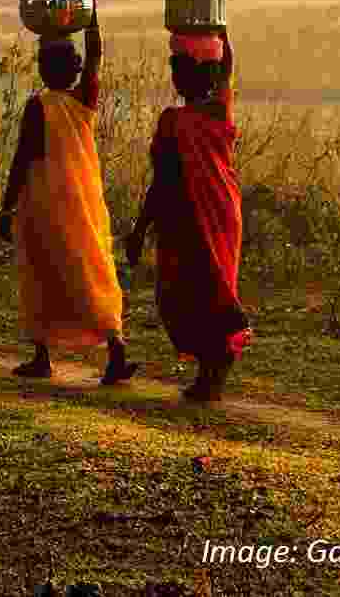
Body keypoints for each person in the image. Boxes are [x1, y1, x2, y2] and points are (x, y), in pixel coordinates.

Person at [0, 0, 137, 385]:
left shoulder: (39, 106)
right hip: (82, 201)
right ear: (73, 70)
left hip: (42, 200)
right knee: (91, 267)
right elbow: (96, 58)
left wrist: (6, 208)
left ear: (44, 70)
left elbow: (23, 158)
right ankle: (116, 349)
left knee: (43, 271)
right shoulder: (84, 98)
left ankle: (42, 355)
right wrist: (90, 16)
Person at [125, 27, 252, 402]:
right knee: (186, 294)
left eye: (181, 68)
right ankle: (209, 371)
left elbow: (162, 179)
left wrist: (140, 228)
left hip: (207, 217)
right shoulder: (205, 113)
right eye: (174, 68)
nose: (176, 77)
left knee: (210, 291)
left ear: (204, 74)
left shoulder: (190, 117)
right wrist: (219, 29)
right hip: (197, 216)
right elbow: (164, 179)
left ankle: (214, 372)